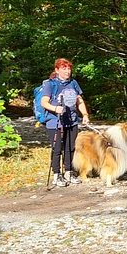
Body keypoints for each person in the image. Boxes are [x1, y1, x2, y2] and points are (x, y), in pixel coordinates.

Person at [41, 58, 90, 187]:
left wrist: (84, 114)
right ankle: (57, 175)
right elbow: (44, 102)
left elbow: (79, 101)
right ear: (57, 70)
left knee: (70, 148)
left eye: (68, 69)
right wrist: (55, 108)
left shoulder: (73, 83)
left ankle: (69, 172)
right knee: (57, 149)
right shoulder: (50, 84)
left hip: (72, 121)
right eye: (64, 69)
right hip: (55, 121)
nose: (67, 71)